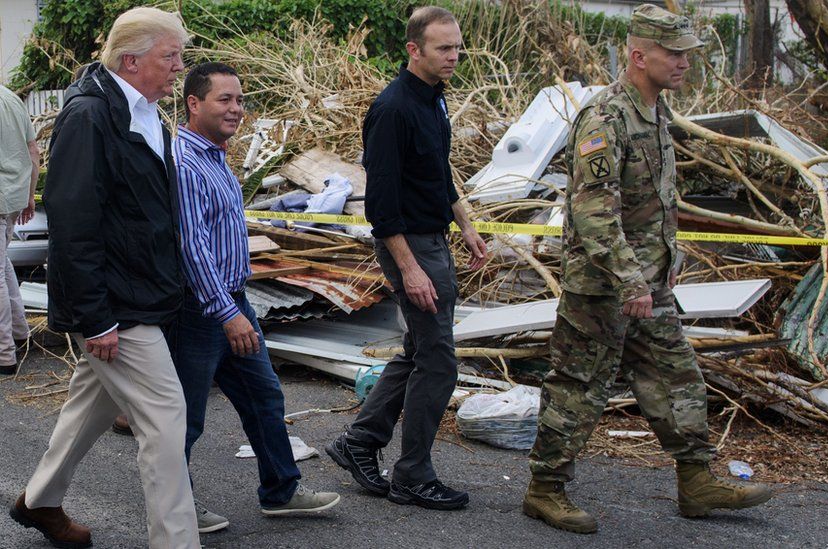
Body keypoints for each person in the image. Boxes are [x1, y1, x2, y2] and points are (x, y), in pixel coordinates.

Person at [522, 5, 773, 534]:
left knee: (677, 376)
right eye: (674, 54)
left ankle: (697, 482)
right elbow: (594, 212)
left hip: (649, 284)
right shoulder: (605, 117)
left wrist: (666, 262)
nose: (684, 63)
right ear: (639, 56)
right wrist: (630, 279)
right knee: (578, 387)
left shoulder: (655, 111)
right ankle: (545, 490)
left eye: (686, 54)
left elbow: (657, 200)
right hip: (602, 287)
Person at [8, 7, 200, 548]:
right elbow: (74, 223)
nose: (179, 68)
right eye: (171, 56)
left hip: (136, 295)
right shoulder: (90, 116)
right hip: (115, 304)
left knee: (91, 404)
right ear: (131, 59)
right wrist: (96, 318)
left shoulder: (142, 112)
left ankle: (39, 502)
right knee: (165, 418)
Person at [325, 6, 487, 511]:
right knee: (438, 362)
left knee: (419, 351)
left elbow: (437, 173)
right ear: (413, 50)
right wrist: (411, 267)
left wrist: (466, 223)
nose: (453, 57)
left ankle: (360, 441)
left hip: (433, 237)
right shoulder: (393, 109)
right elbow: (383, 205)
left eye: (457, 47)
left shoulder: (433, 100)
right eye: (444, 48)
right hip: (410, 245)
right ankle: (413, 473)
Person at [172, 62, 340, 533]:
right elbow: (191, 246)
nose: (237, 109)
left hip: (231, 300)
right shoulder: (184, 162)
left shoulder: (215, 156)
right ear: (194, 103)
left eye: (240, 100)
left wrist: (235, 305)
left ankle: (281, 491)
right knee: (185, 417)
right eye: (225, 99)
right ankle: (175, 505)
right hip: (202, 309)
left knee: (264, 397)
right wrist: (227, 313)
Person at [0, 84, 38, 375]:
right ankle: (19, 332)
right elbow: (32, 150)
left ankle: (4, 354)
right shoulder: (10, 97)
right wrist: (29, 194)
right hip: (13, 195)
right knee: (3, 265)